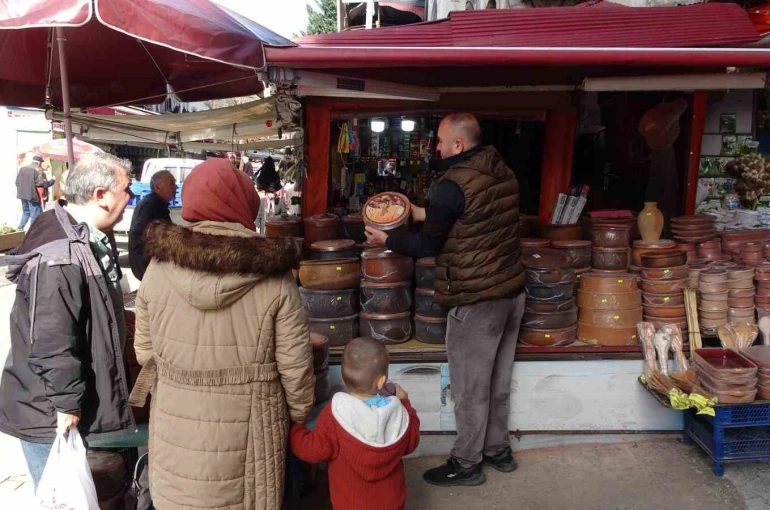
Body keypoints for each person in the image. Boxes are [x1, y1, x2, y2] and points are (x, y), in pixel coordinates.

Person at [129, 158, 314, 510]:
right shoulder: (275, 277)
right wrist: (299, 414)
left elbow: (144, 353)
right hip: (251, 430)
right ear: (244, 204)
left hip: (175, 425)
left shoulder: (158, 268)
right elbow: (296, 371)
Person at [365, 113, 525, 487]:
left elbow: (427, 245)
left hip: (477, 299)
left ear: (458, 145)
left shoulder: (451, 184)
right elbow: (469, 218)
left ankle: (467, 463)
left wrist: (387, 240)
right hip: (512, 293)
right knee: (498, 384)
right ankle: (497, 450)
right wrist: (414, 211)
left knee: (470, 389)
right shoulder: (501, 171)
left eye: (439, 140)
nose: (434, 147)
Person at [0, 153, 135, 489]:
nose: (130, 197)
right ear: (100, 195)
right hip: (50, 414)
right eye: (125, 189)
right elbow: (51, 339)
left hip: (59, 405)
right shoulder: (60, 255)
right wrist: (66, 402)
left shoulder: (75, 233)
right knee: (63, 497)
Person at [290, 337, 420, 510]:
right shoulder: (398, 413)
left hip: (349, 504)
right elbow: (411, 443)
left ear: (344, 378)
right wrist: (405, 403)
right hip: (391, 503)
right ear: (381, 381)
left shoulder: (336, 414)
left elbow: (314, 451)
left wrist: (295, 429)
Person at [128, 170, 177, 280]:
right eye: (171, 183)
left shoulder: (156, 203)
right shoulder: (151, 204)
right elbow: (138, 235)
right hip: (148, 267)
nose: (176, 187)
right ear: (158, 187)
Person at [15, 155, 53, 230]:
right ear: (39, 163)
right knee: (35, 215)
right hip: (33, 196)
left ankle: (19, 228)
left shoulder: (22, 169)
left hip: (22, 195)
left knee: (26, 212)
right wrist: (52, 180)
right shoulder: (38, 170)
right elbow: (41, 184)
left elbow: (17, 182)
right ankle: (33, 232)